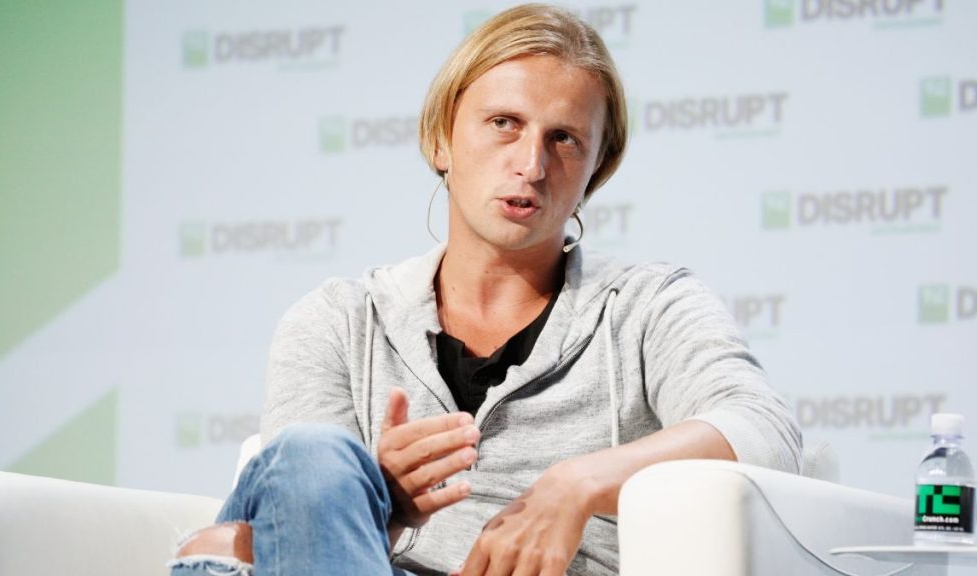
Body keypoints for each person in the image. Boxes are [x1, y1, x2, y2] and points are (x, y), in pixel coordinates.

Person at [169, 4, 802, 575]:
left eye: (564, 139)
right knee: (311, 460)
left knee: (225, 549)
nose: (531, 165)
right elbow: (293, 538)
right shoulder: (339, 320)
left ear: (594, 170)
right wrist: (383, 501)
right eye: (504, 123)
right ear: (441, 139)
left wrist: (575, 485)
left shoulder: (649, 305)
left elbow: (763, 430)